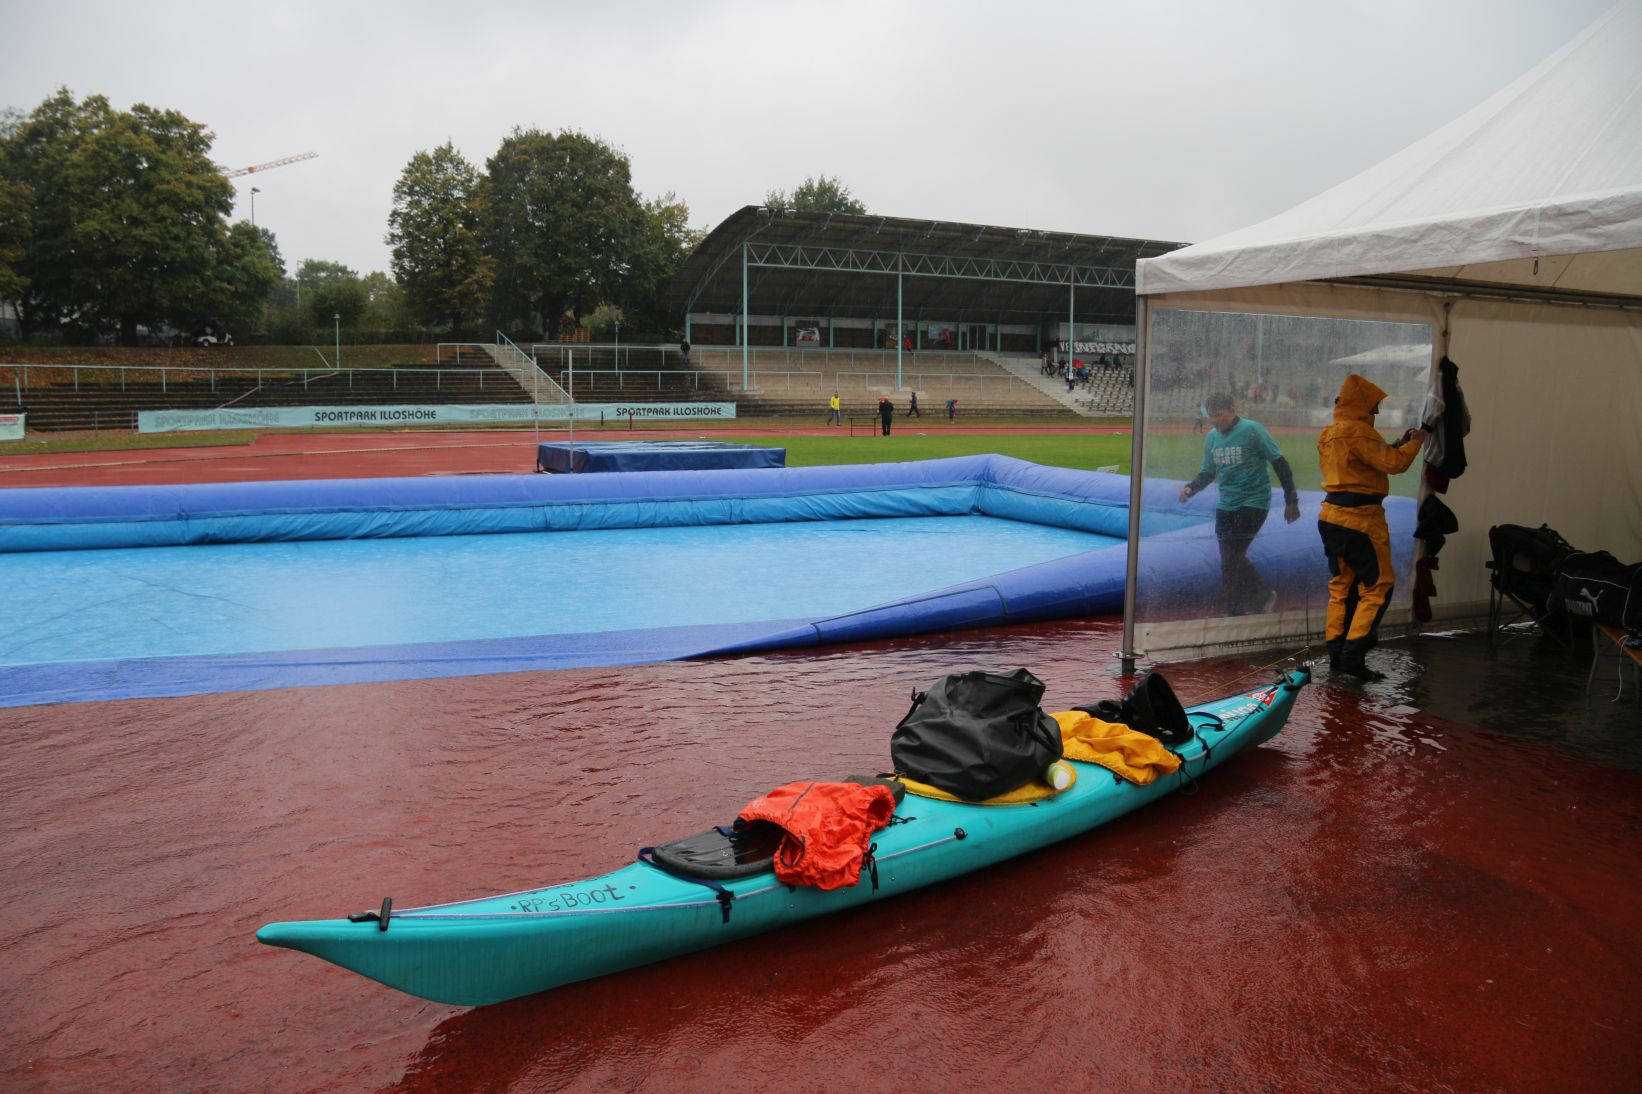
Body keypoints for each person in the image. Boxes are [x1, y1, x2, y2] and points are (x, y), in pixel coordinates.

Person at [1317, 374, 1428, 682]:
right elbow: (1394, 465)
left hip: (1330, 518)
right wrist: (1415, 444)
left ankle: (1337, 651)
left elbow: (1361, 463)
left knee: (1341, 586)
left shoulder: (1329, 432)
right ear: (1363, 404)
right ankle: (1355, 653)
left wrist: (1396, 444)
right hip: (1360, 520)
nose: (1377, 411)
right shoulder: (1359, 431)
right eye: (1375, 405)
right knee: (1378, 586)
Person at [1177, 393, 1301, 617]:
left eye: (1220, 416)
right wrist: (1191, 488)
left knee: (1233, 557)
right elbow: (1208, 471)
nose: (1216, 422)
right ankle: (1254, 599)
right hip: (1227, 504)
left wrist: (1291, 500)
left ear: (1232, 410)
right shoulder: (1212, 438)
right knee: (1228, 560)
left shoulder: (1252, 430)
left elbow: (1279, 463)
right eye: (1212, 417)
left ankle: (1239, 607)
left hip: (1254, 501)